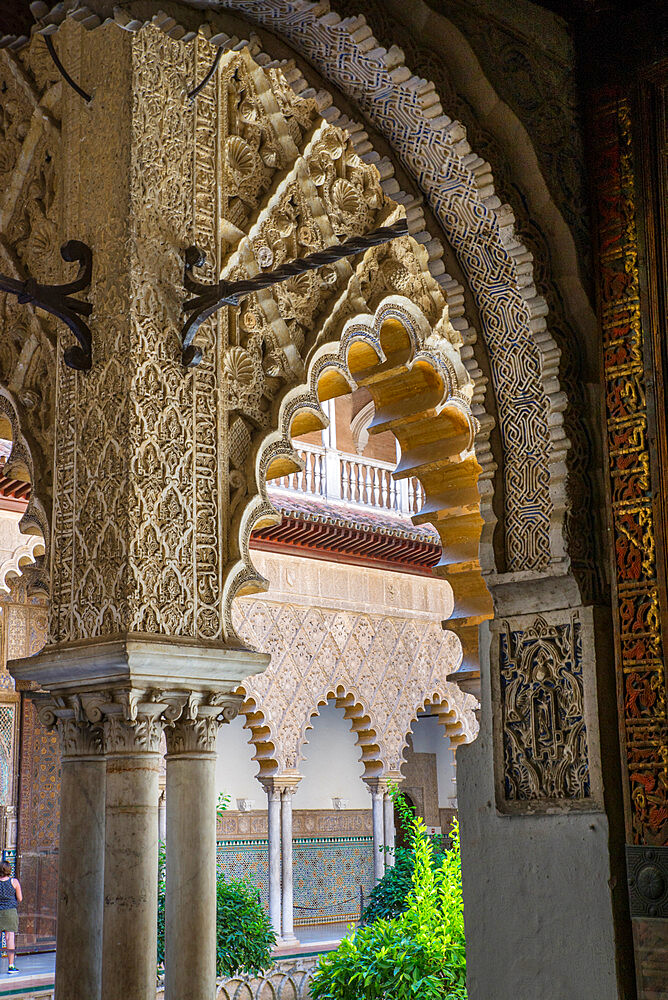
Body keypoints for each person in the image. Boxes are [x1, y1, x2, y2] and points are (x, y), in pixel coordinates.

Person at [0, 861, 21, 974]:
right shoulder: (14, 882)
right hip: (10, 912)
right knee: (10, 938)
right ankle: (11, 966)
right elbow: (20, 898)